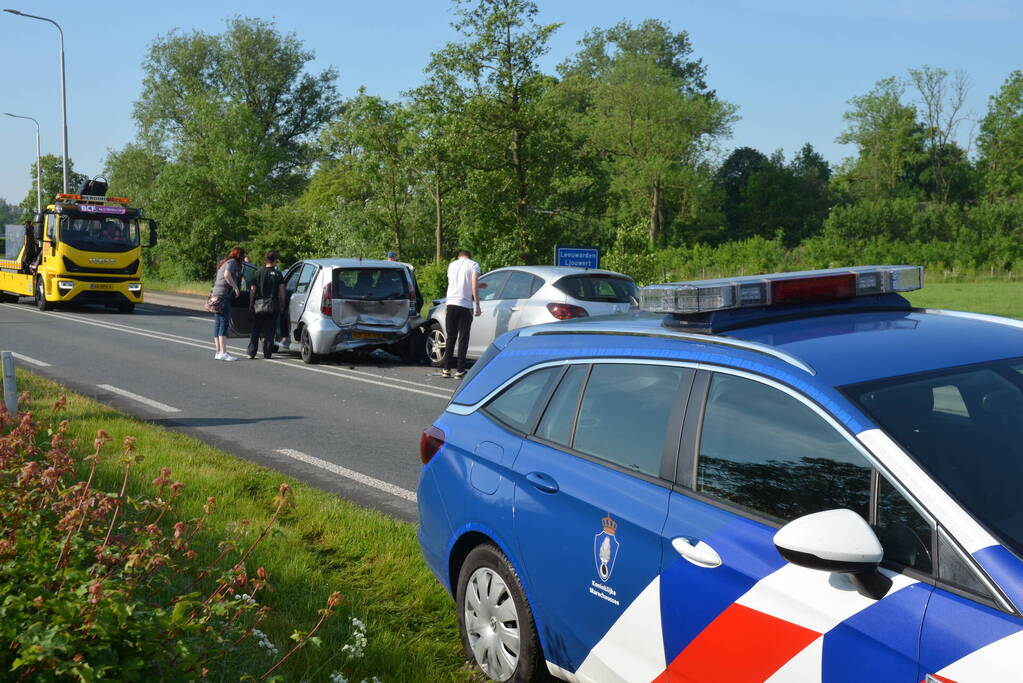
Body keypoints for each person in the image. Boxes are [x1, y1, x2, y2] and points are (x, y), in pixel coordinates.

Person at [441, 249, 481, 379]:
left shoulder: (452, 265)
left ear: (459, 256)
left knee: (450, 337)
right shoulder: (474, 265)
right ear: (469, 256)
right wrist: (478, 305)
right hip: (465, 305)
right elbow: (473, 285)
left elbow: (457, 283)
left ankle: (446, 369)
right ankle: (460, 370)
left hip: (451, 304)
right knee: (463, 338)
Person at [247, 251, 285, 359]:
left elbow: (253, 290)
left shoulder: (258, 272)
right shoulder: (278, 274)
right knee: (270, 330)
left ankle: (252, 352)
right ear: (275, 261)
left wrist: (251, 302)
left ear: (266, 260)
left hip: (259, 305)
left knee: (256, 329)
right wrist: (282, 303)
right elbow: (282, 291)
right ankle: (267, 353)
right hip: (272, 305)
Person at [211, 247, 245, 361]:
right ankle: (223, 352)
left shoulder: (224, 262)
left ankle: (218, 352)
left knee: (218, 323)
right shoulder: (232, 262)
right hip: (223, 295)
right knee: (224, 323)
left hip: (215, 294)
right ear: (239, 255)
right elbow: (227, 275)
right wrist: (235, 287)